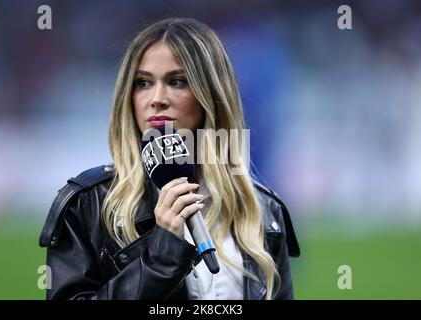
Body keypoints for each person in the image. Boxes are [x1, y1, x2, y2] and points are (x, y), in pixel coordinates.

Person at [39, 17, 300, 300]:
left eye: (176, 81)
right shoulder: (87, 205)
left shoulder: (263, 213)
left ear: (211, 94)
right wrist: (160, 256)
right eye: (143, 83)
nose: (157, 99)